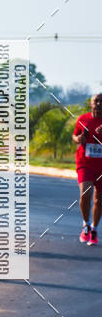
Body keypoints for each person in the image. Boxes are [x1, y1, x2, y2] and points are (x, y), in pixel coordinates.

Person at [72, 93, 102, 246]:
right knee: (85, 193)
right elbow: (75, 135)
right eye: (95, 101)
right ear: (91, 104)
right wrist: (79, 139)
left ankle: (95, 229)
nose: (98, 104)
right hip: (85, 163)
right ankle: (86, 224)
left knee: (99, 199)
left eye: (101, 101)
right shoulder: (83, 119)